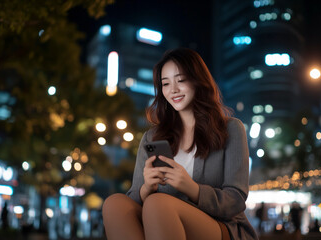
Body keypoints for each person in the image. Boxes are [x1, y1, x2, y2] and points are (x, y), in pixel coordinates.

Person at [102, 48, 258, 240]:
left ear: (197, 81)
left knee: (158, 203)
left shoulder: (231, 129)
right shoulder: (152, 138)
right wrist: (147, 188)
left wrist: (190, 187)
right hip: (161, 221)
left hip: (221, 226)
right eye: (165, 83)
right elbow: (134, 201)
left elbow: (235, 200)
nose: (173, 89)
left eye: (181, 80)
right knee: (115, 204)